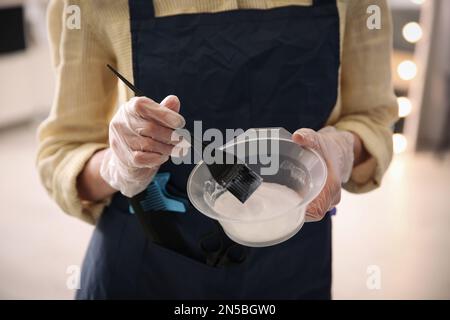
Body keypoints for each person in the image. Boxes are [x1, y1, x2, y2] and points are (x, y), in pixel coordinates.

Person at [37, 0, 398, 299]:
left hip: (292, 264)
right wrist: (116, 164)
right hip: (147, 265)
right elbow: (63, 153)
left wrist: (341, 151)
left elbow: (371, 118)